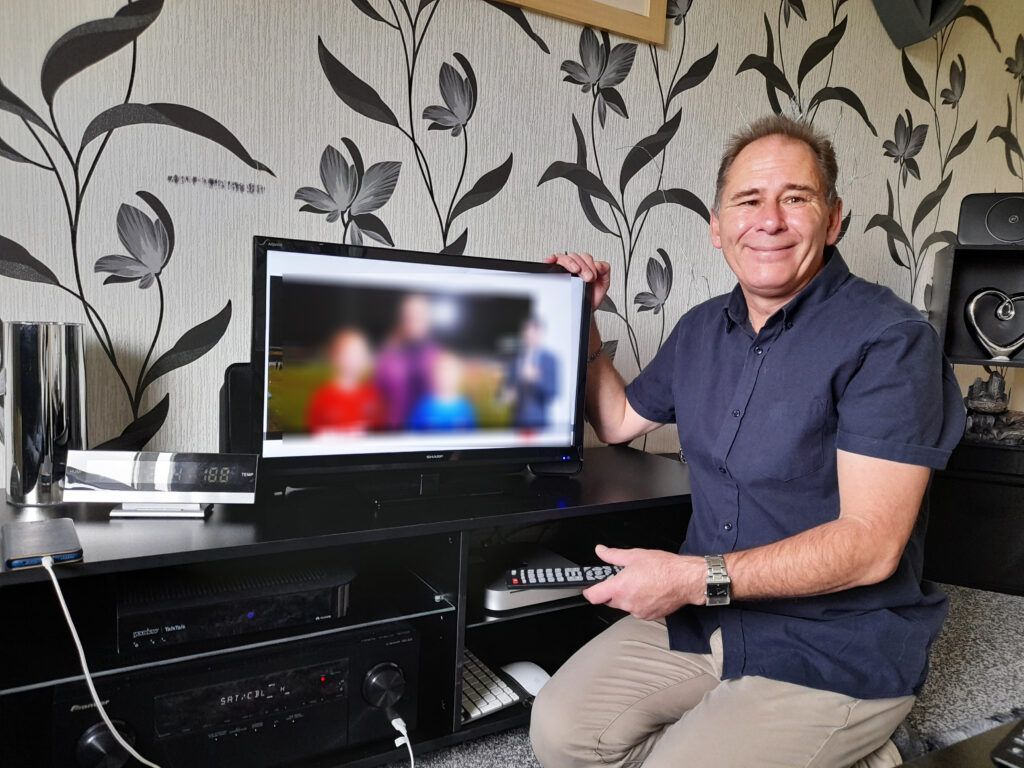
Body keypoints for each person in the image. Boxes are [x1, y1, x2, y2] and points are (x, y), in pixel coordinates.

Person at [531, 115, 966, 768]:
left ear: (834, 218)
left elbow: (871, 548)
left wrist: (689, 578)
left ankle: (862, 744)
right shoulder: (702, 327)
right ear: (716, 225)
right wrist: (585, 320)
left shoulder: (891, 340)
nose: (770, 220)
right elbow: (618, 420)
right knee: (559, 732)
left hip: (835, 638)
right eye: (749, 200)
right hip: (709, 619)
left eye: (796, 198)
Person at [375, 293, 439, 429]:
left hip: (432, 435)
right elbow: (377, 399)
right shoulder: (388, 359)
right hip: (395, 435)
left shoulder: (438, 358)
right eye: (409, 316)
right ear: (402, 318)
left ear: (428, 319)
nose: (414, 320)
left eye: (420, 315)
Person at [306, 329, 382, 434]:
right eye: (350, 354)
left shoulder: (372, 395)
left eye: (360, 354)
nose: (355, 360)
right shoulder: (323, 396)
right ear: (337, 357)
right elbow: (313, 433)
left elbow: (379, 432)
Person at [505, 316, 559, 429]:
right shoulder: (515, 360)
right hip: (515, 423)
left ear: (540, 333)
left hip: (538, 424)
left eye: (533, 333)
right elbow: (508, 388)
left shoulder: (550, 360)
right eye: (526, 333)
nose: (529, 337)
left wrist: (535, 380)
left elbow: (552, 393)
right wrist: (507, 394)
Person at [408, 350, 477, 431]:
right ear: (435, 376)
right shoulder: (424, 406)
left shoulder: (465, 407)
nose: (447, 378)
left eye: (451, 373)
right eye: (442, 373)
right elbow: (412, 434)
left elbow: (472, 434)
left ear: (458, 377)